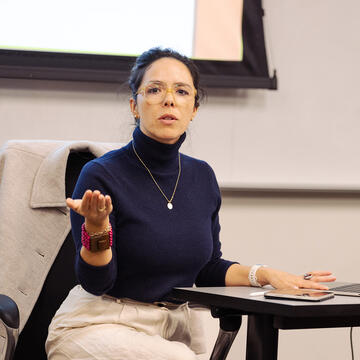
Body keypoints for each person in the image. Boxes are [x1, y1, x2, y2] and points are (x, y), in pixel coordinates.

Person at [45, 47, 335, 360]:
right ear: (134, 105)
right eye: (154, 89)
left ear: (194, 108)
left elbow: (208, 269)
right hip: (99, 324)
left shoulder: (202, 176)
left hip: (174, 329)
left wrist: (268, 275)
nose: (169, 99)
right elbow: (96, 282)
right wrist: (98, 228)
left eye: (181, 91)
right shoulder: (101, 174)